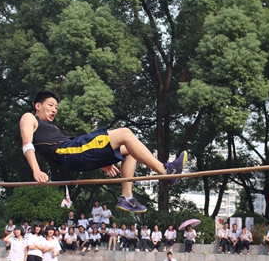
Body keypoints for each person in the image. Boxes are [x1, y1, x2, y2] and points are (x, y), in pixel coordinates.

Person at [20, 90, 188, 213]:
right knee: (125, 133)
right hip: (68, 151)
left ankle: (127, 197)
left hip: (73, 154)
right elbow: (27, 144)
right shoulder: (29, 117)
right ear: (37, 106)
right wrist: (36, 170)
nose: (54, 110)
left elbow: (77, 152)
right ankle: (166, 171)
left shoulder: (53, 128)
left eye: (56, 107)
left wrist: (102, 161)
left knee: (129, 151)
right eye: (50, 105)